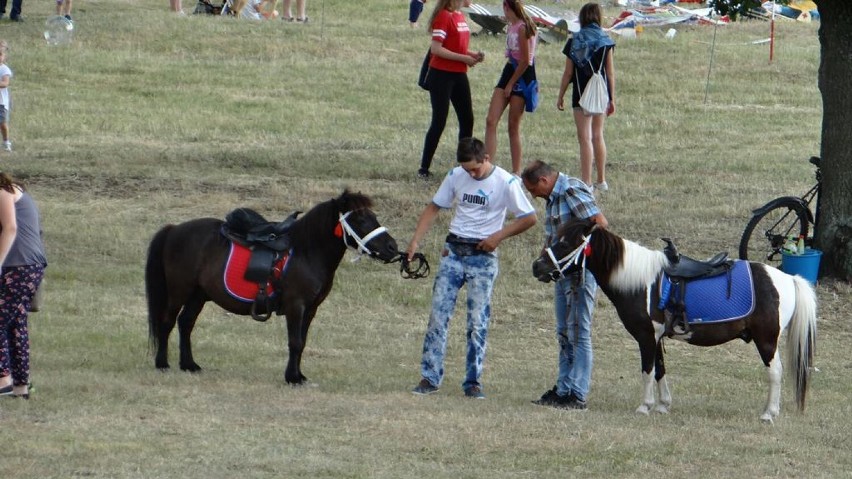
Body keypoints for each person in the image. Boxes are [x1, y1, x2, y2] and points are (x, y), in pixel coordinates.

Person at [409, 137, 536, 399]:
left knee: (477, 321)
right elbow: (434, 207)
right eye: (467, 170)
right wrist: (414, 241)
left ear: (486, 158)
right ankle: (429, 377)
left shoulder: (505, 182)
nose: (471, 174)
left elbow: (529, 217)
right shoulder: (455, 175)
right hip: (454, 250)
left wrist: (497, 237)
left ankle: (473, 381)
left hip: (483, 255)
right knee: (438, 316)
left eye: (475, 169)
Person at [521, 159, 608, 410]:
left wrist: (576, 251)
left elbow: (600, 224)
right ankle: (563, 389)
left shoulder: (570, 190)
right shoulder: (553, 198)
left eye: (533, 189)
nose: (533, 195)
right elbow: (553, 235)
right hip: (562, 274)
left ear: (544, 181)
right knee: (564, 331)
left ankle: (577, 394)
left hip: (579, 272)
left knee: (579, 331)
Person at [417, 0, 484, 180]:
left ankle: (464, 165)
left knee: (467, 118)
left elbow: (456, 46)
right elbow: (436, 49)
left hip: (459, 74)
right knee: (439, 120)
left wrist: (471, 55)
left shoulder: (459, 15)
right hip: (441, 75)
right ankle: (424, 168)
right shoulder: (444, 16)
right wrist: (464, 58)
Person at [557, 2, 615, 191]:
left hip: (581, 93)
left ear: (582, 18)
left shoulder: (575, 40)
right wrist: (611, 98)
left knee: (585, 138)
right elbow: (610, 73)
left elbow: (568, 73)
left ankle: (587, 182)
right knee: (598, 136)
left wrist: (561, 95)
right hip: (600, 93)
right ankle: (602, 180)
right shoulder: (606, 40)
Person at [0, 173, 47, 399]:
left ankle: (3, 380)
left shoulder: (2, 191)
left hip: (18, 267)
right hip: (28, 266)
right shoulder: (14, 189)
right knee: (16, 324)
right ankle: (21, 387)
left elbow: (10, 228)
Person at [484, 0, 537, 176]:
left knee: (513, 126)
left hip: (522, 76)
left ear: (507, 7)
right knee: (491, 120)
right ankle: (488, 165)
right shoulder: (511, 26)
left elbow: (525, 61)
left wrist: (509, 85)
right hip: (509, 70)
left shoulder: (523, 28)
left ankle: (516, 171)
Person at [0, 45, 12, 153]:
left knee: (2, 123)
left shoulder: (4, 69)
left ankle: (6, 142)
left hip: (1, 103)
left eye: (0, 55)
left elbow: (5, 83)